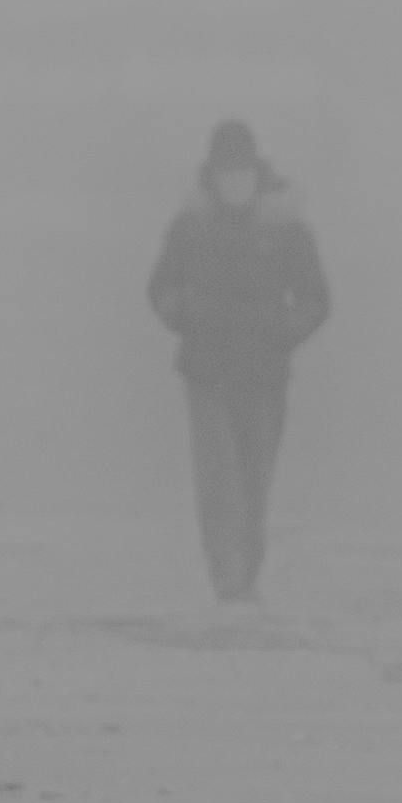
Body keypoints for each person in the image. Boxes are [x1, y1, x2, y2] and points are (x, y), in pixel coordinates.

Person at [144, 122, 334, 600]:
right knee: (217, 479)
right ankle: (226, 573)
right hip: (206, 373)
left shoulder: (286, 230)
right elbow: (160, 288)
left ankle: (247, 569)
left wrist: (286, 330)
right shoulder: (190, 229)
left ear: (258, 173)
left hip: (265, 375)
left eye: (243, 172)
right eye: (227, 173)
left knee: (254, 478)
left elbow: (315, 297)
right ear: (212, 176)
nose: (235, 183)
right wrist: (185, 312)